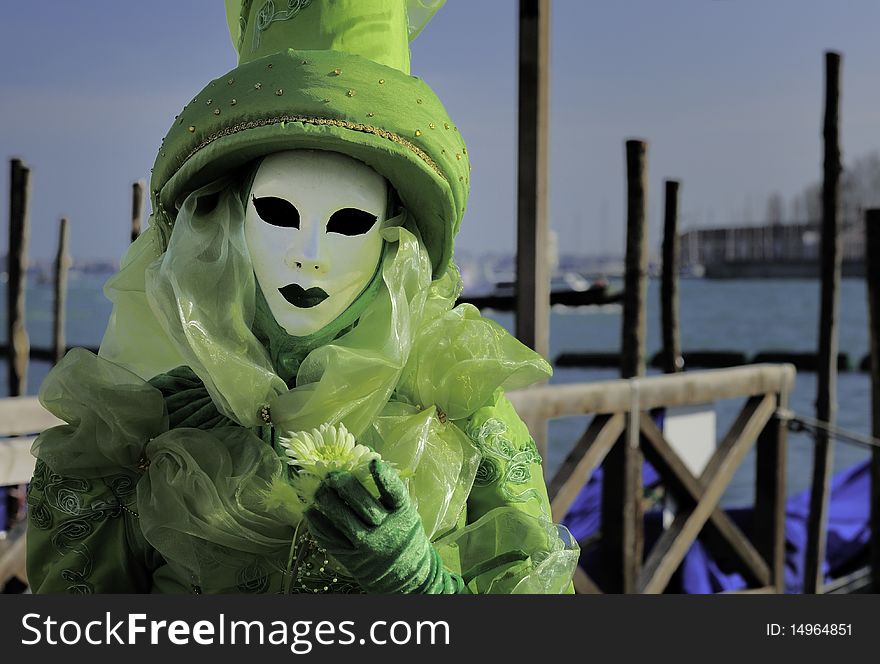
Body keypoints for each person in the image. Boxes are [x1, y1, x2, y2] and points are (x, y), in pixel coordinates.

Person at [26, 0, 578, 594]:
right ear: (229, 224)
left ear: (394, 241)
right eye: (280, 215)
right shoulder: (142, 428)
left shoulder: (455, 408)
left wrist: (418, 583)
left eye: (346, 224)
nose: (309, 253)